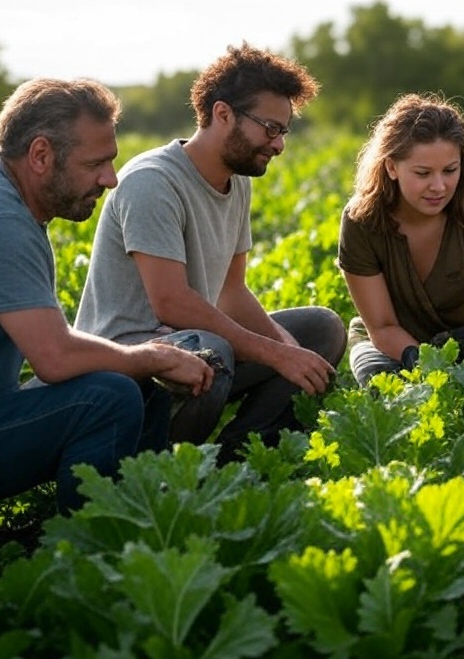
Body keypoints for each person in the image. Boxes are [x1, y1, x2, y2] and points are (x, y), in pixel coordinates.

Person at [0, 78, 214, 533]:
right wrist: (146, 355)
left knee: (132, 377)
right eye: (96, 163)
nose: (111, 179)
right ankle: (86, 552)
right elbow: (54, 358)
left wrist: (142, 358)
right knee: (107, 397)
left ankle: (142, 511)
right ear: (40, 155)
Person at [74, 43, 346, 462]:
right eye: (270, 128)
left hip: (192, 344)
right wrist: (275, 354)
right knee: (210, 353)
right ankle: (160, 471)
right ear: (223, 114)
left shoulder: (238, 180)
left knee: (321, 330)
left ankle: (233, 462)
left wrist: (290, 348)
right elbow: (171, 302)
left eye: (283, 131)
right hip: (126, 367)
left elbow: (232, 293)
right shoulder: (152, 182)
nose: (278, 145)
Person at [337, 93, 464, 387]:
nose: (439, 186)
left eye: (450, 170)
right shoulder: (360, 221)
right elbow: (383, 327)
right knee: (382, 383)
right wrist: (419, 360)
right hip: (391, 346)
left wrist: (459, 345)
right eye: (423, 173)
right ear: (391, 168)